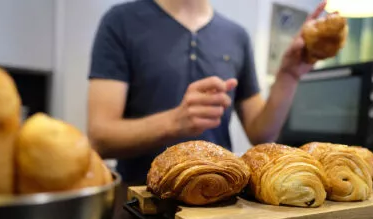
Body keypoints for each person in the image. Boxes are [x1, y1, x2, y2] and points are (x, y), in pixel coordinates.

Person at [88, 0, 327, 184]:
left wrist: (288, 75)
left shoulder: (237, 36)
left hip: (219, 201)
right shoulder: (121, 21)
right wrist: (174, 122)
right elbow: (101, 137)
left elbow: (261, 134)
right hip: (139, 204)